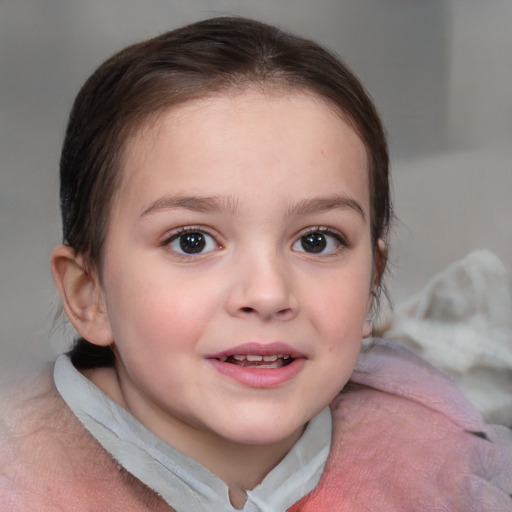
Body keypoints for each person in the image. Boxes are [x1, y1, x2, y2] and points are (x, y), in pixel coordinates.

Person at [1, 17, 510, 511]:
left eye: (316, 241)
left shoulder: (436, 459)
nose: (267, 294)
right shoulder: (23, 478)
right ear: (89, 294)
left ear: (372, 281)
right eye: (193, 242)